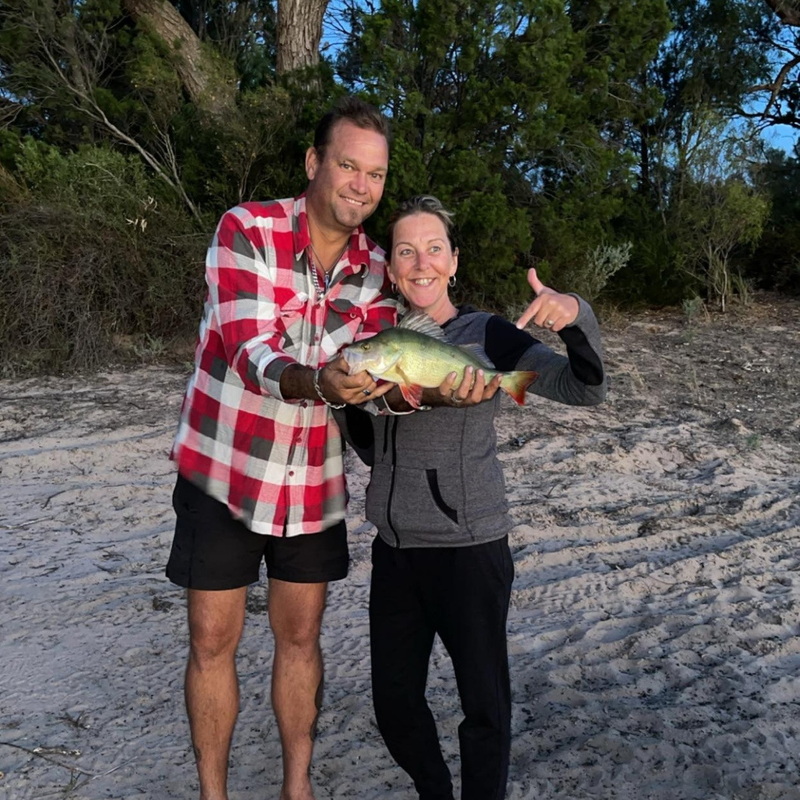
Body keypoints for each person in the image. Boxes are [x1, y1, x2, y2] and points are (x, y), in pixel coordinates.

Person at [165, 96, 403, 800]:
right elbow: (249, 350)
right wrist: (319, 381)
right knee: (212, 639)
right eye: (349, 166)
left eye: (376, 174)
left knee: (300, 639)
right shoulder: (246, 228)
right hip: (225, 469)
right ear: (313, 162)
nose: (361, 185)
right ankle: (214, 794)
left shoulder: (378, 269)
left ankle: (297, 788)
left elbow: (387, 366)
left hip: (312, 483)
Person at [338, 195, 607, 800]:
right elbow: (368, 446)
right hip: (395, 551)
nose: (422, 263)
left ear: (454, 261)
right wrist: (356, 404)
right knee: (394, 706)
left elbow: (584, 389)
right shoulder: (379, 340)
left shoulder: (488, 334)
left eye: (434, 249)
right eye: (406, 251)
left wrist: (574, 316)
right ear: (391, 267)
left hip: (470, 548)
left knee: (484, 706)